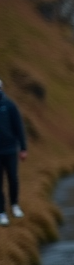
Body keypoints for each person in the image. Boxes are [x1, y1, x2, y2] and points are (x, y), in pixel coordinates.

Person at [0, 78, 28, 227]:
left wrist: (23, 148)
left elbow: (19, 128)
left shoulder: (9, 105)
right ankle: (1, 212)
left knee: (13, 178)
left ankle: (14, 205)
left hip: (10, 149)